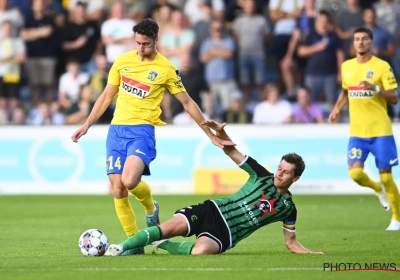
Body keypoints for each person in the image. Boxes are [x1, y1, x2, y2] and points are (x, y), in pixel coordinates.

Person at [70, 19, 235, 255]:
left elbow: (187, 101)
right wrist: (86, 124)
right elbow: (107, 95)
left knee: (129, 181)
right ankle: (133, 244)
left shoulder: (166, 68)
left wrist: (209, 133)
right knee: (117, 189)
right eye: (136, 43)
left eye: (145, 44)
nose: (140, 48)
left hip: (142, 131)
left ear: (156, 40)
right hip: (116, 131)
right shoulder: (122, 61)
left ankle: (150, 208)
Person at [104, 120, 324, 256]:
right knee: (169, 227)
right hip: (212, 210)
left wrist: (311, 253)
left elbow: (291, 243)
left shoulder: (288, 209)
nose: (279, 173)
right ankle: (121, 247)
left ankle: (161, 244)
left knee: (200, 251)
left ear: (295, 178)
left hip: (226, 234)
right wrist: (222, 134)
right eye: (279, 167)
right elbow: (232, 152)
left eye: (286, 172)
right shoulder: (261, 174)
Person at [329, 27, 400, 231]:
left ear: (371, 42)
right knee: (356, 174)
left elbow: (394, 97)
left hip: (381, 131)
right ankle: (378, 190)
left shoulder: (382, 66)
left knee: (387, 176)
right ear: (353, 43)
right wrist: (336, 109)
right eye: (357, 39)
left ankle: (397, 218)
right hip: (358, 132)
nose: (360, 42)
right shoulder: (347, 66)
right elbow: (345, 92)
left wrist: (375, 88)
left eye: (364, 39)